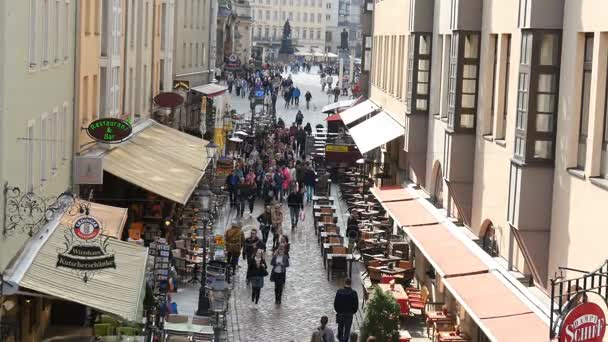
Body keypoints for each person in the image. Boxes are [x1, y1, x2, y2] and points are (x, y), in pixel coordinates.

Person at [334, 278, 359, 342]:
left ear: (344, 283)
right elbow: (356, 305)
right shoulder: (354, 293)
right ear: (350, 284)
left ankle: (341, 340)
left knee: (340, 329)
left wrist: (338, 311)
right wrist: (353, 312)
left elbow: (335, 303)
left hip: (340, 313)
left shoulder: (339, 291)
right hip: (349, 314)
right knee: (347, 330)